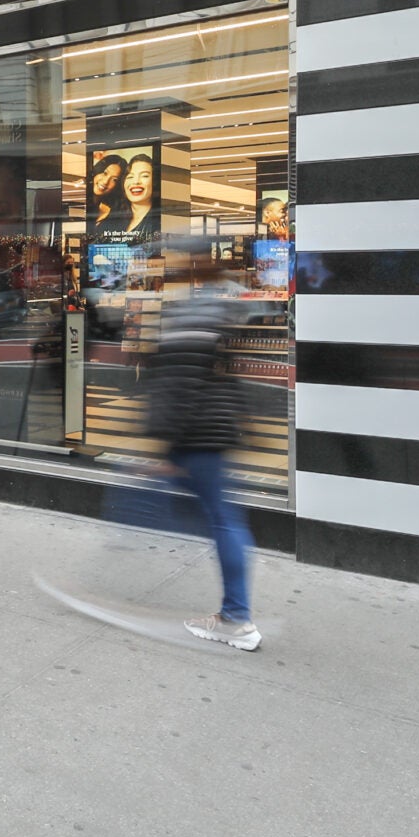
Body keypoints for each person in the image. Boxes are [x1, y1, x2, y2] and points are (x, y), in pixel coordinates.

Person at [148, 243, 258, 651]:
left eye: (172, 257)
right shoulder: (221, 306)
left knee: (222, 519)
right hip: (215, 428)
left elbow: (179, 384)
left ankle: (235, 617)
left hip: (196, 433)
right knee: (221, 516)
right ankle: (235, 612)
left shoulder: (189, 312)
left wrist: (164, 446)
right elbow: (226, 375)